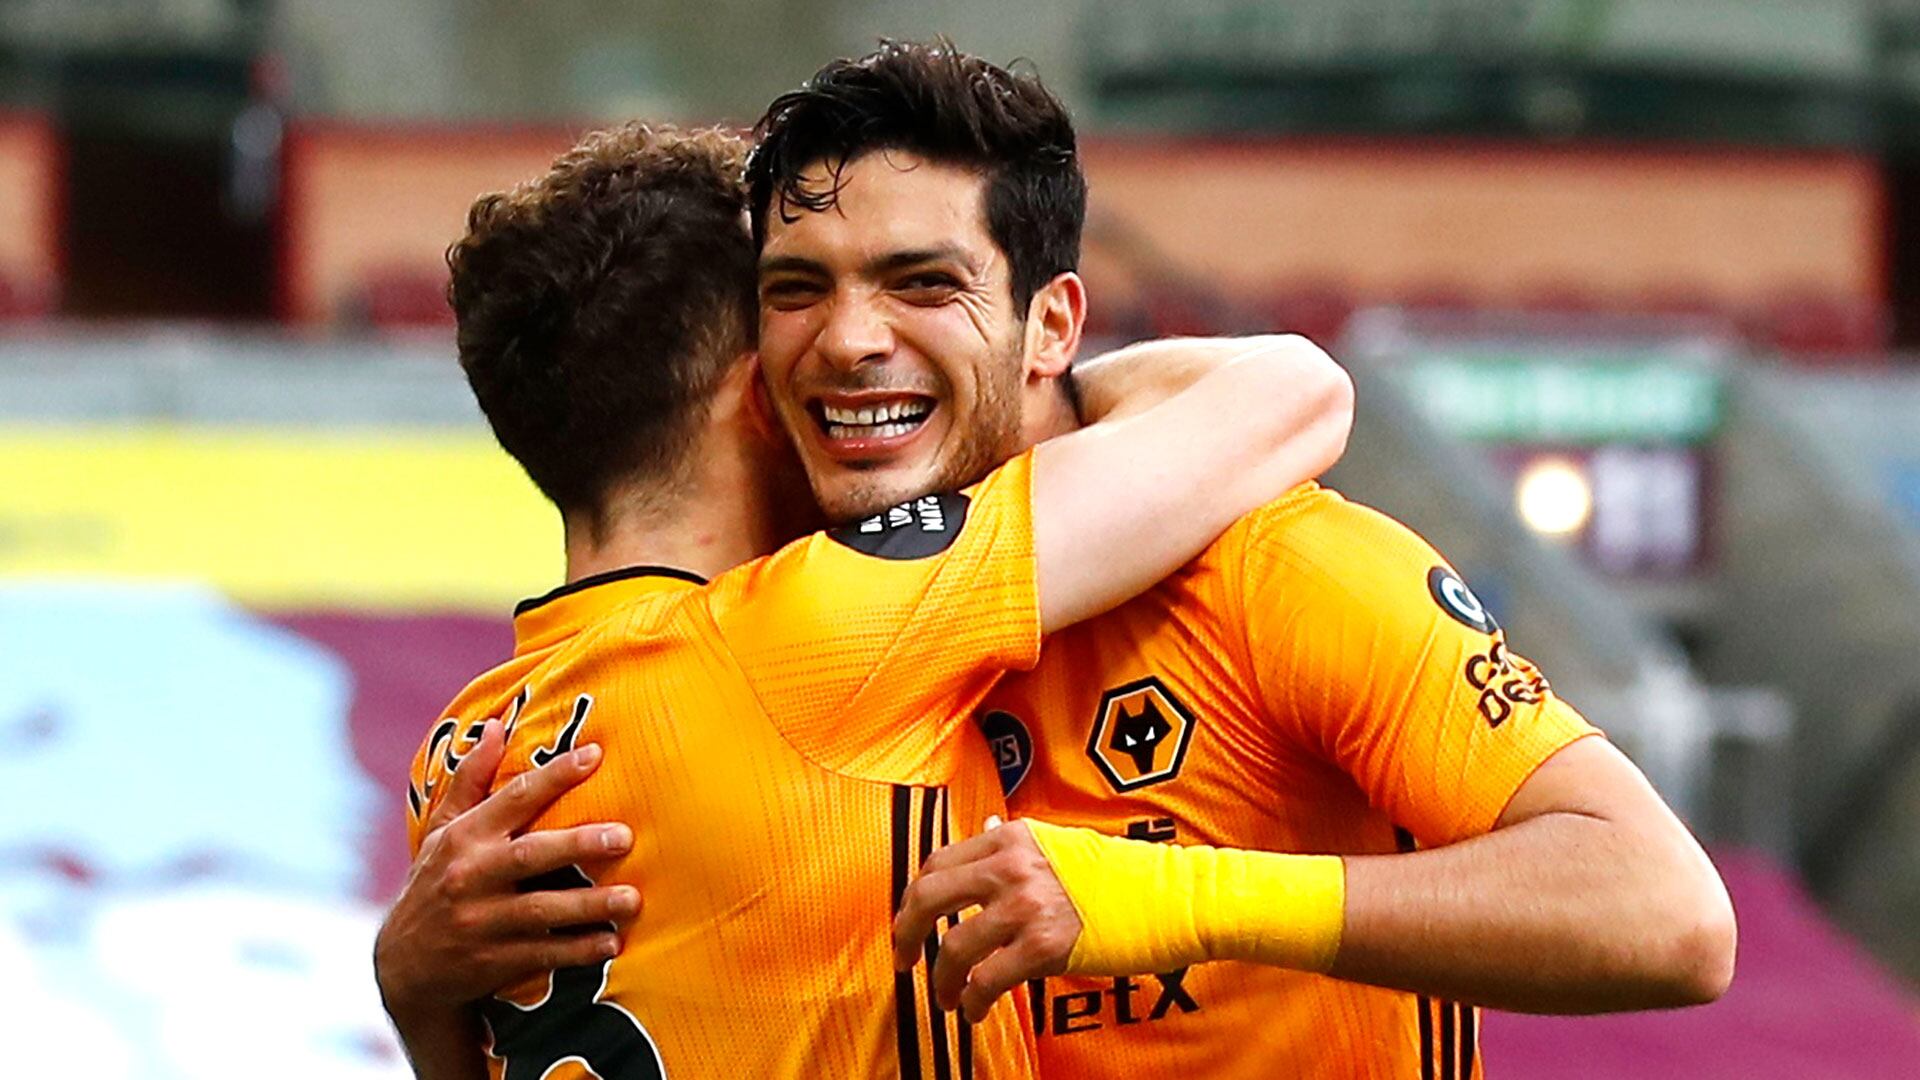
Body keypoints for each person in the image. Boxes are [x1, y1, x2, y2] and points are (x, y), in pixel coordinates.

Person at [382, 40, 1735, 1080]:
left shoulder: (1276, 571)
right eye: (797, 290)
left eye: (921, 285)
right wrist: (416, 982)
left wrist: (1177, 896)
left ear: (1050, 324)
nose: (848, 340)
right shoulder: (798, 623)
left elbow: (1668, 915)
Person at [379, 119, 1353, 1080]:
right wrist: (1011, 372)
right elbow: (1296, 394)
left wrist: (415, 1002)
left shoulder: (460, 761)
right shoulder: (826, 625)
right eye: (794, 305)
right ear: (763, 394)